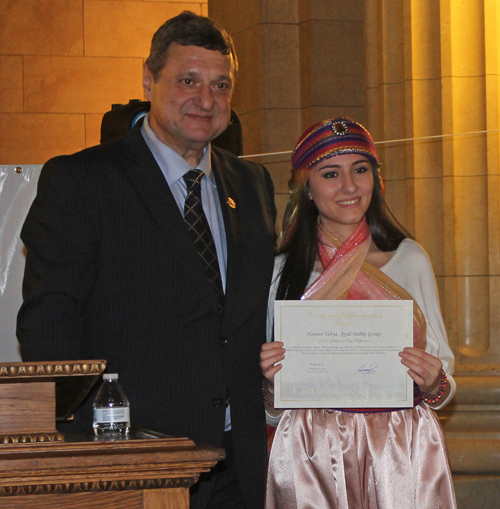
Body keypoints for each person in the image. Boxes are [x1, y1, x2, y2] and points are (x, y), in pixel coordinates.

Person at [17, 11, 276, 509]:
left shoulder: (253, 186)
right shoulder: (81, 182)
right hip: (133, 463)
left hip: (237, 468)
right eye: (187, 80)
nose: (206, 100)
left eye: (220, 85)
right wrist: (92, 448)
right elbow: (49, 326)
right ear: (147, 80)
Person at [260, 117, 457, 509]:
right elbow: (272, 410)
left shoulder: (409, 258)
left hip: (400, 446)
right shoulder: (282, 271)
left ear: (375, 181)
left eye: (360, 170)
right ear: (307, 189)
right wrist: (270, 382)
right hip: (311, 450)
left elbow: (444, 382)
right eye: (331, 174)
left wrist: (434, 380)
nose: (349, 186)